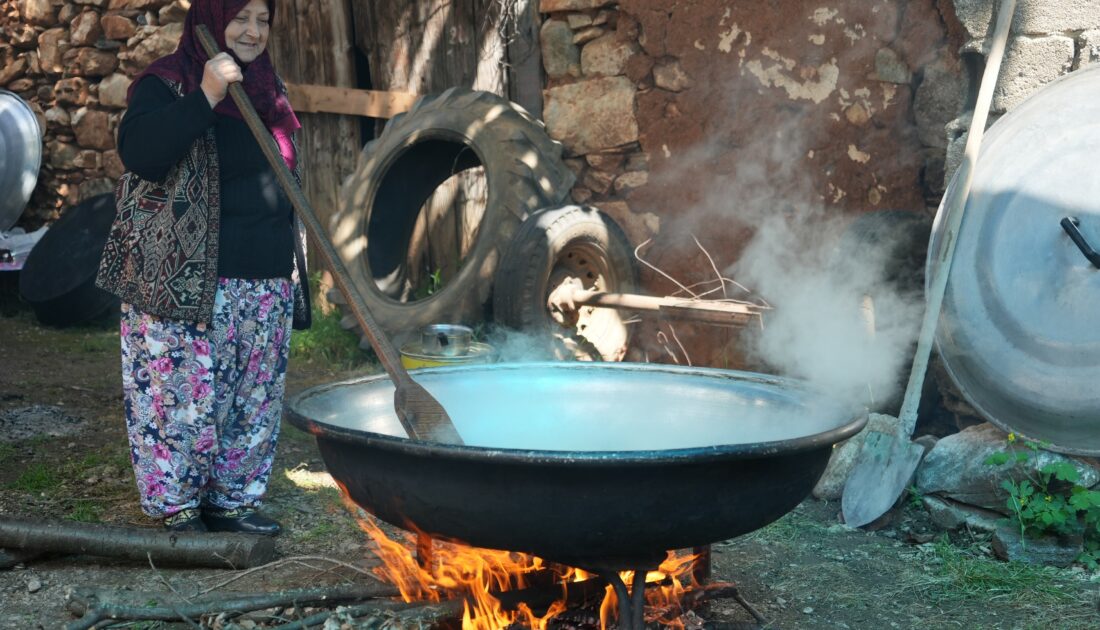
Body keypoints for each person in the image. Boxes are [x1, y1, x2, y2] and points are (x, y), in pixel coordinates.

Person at [95, 0, 311, 535]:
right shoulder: (168, 83)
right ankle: (179, 506)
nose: (253, 32)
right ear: (211, 20)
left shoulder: (267, 90)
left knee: (251, 398)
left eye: (263, 20)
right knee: (181, 402)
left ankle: (232, 500)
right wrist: (207, 96)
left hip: (264, 277)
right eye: (241, 18)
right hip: (183, 284)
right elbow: (141, 153)